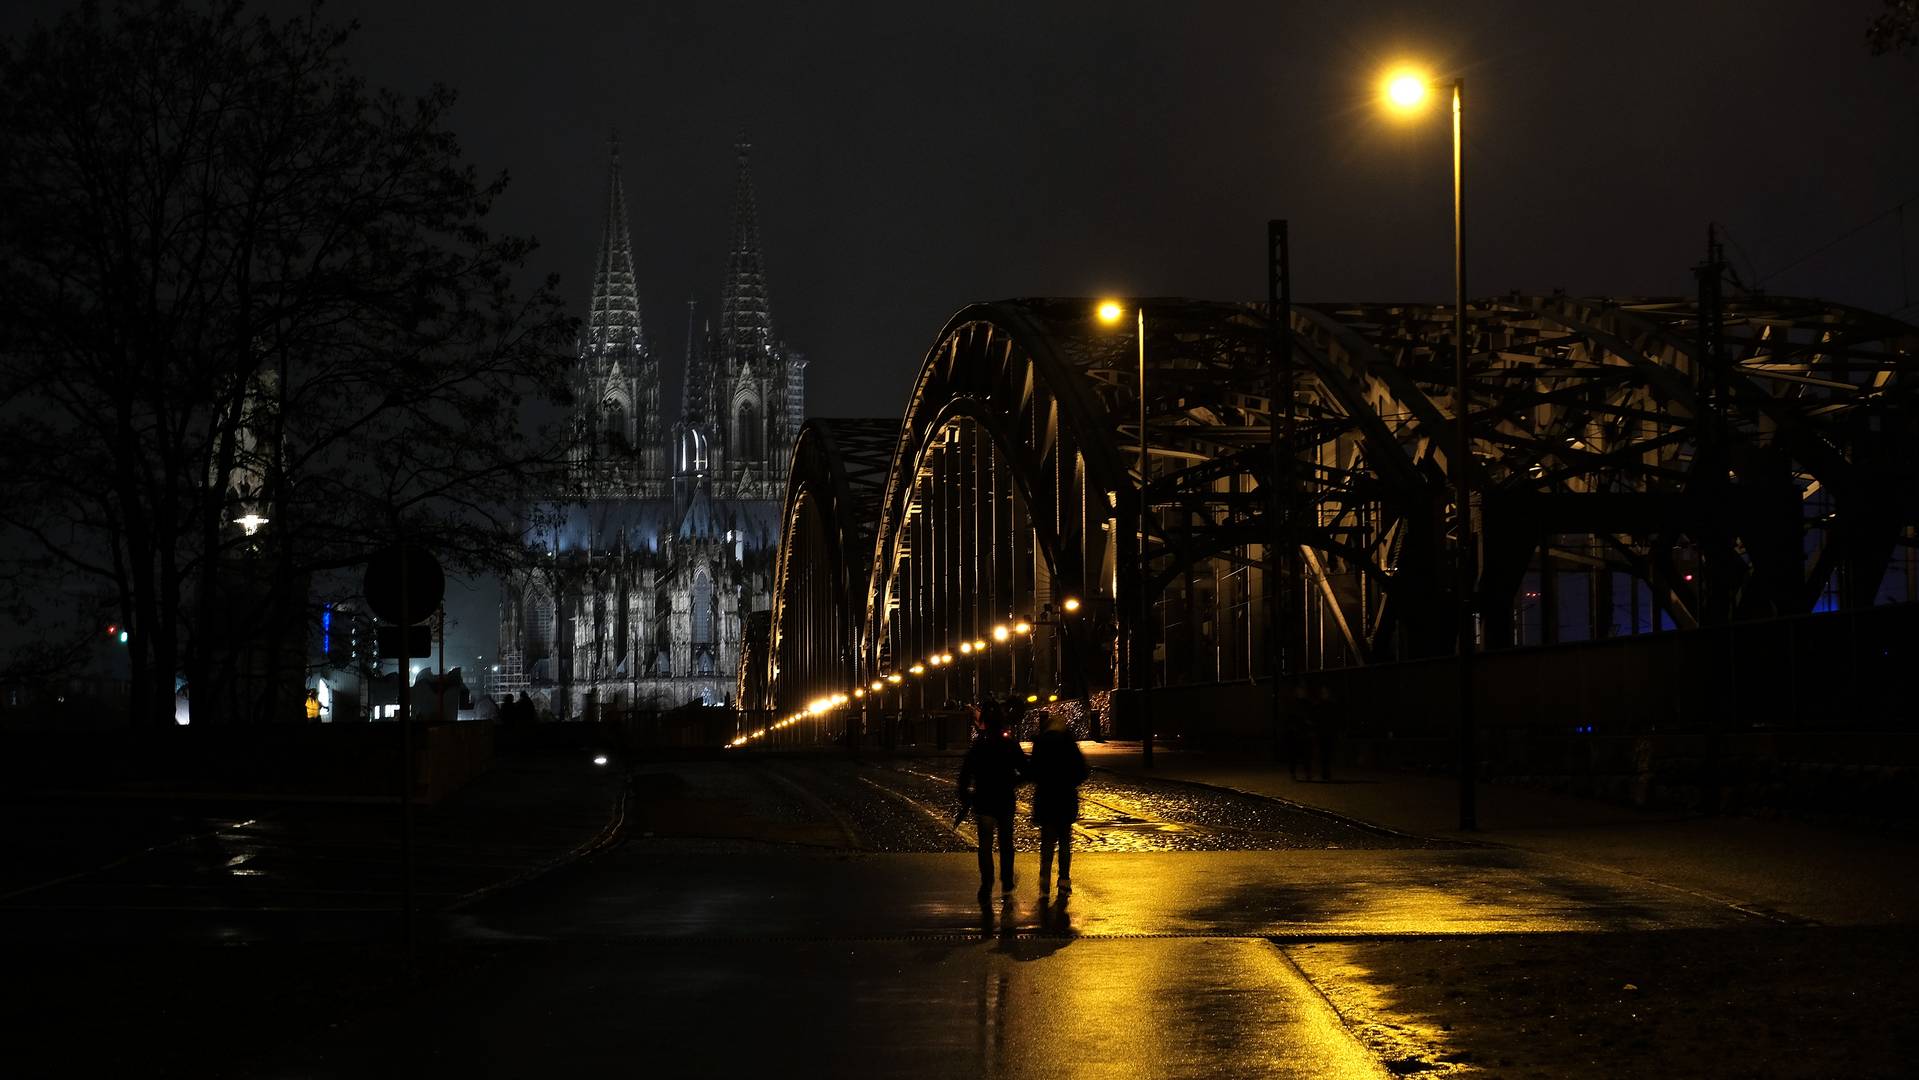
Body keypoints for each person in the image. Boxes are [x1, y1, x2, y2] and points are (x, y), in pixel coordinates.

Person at [957, 697, 1027, 899]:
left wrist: (965, 796)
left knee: (985, 845)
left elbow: (965, 774)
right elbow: (1025, 770)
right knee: (1006, 843)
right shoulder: (1009, 744)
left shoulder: (979, 745)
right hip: (1004, 798)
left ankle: (987, 883)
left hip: (984, 799)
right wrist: (1013, 782)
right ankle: (1006, 881)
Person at [1028, 709, 1089, 895]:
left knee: (1047, 841)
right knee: (1064, 841)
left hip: (1046, 797)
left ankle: (1044, 878)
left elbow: (1033, 771)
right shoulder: (1069, 744)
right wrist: (1070, 781)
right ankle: (1064, 880)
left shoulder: (1041, 744)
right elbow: (1083, 771)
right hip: (1065, 797)